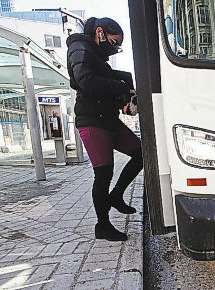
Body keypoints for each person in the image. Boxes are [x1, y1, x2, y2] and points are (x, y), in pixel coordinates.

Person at [66, 17, 143, 241]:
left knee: (141, 154)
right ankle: (103, 225)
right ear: (100, 32)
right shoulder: (79, 49)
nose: (115, 48)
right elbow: (86, 82)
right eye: (114, 41)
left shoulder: (94, 54)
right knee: (103, 173)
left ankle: (116, 195)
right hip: (91, 120)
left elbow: (103, 85)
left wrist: (124, 97)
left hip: (108, 118)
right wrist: (120, 87)